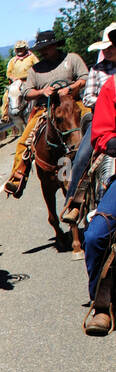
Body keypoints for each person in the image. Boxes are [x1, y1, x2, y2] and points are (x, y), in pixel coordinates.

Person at [4, 30, 89, 197]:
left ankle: (103, 160)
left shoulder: (71, 59)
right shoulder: (35, 69)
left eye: (47, 48)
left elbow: (85, 77)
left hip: (73, 103)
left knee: (92, 121)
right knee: (24, 141)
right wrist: (42, 92)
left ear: (55, 46)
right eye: (41, 49)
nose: (43, 52)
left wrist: (70, 88)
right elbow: (27, 92)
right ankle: (18, 177)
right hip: (45, 108)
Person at [61, 22, 116, 224]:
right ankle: (73, 203)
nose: (107, 51)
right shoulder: (97, 69)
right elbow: (87, 98)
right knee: (82, 155)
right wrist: (106, 99)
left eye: (111, 47)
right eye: (105, 49)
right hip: (102, 119)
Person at [81, 72, 116, 335]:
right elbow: (102, 132)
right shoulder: (112, 86)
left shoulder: (71, 62)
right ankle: (101, 303)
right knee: (94, 236)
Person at [1, 40, 39, 124]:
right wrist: (12, 78)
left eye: (21, 49)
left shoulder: (31, 57)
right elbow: (8, 73)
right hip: (16, 82)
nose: (19, 51)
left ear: (25, 48)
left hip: (29, 80)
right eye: (18, 49)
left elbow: (38, 66)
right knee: (6, 95)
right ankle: (5, 115)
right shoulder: (12, 61)